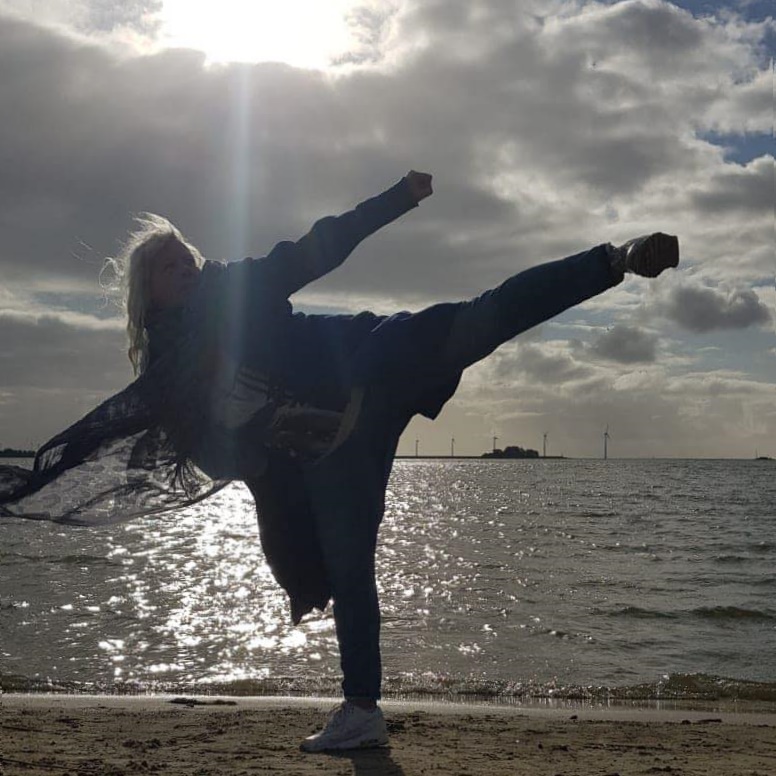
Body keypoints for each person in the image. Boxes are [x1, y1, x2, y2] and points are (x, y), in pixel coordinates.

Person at [0, 170, 679, 752]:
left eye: (188, 258)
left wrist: (395, 198)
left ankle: (614, 260)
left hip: (368, 365)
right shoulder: (165, 379)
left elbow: (316, 250)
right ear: (148, 292)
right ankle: (362, 713)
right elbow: (153, 449)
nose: (187, 268)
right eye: (169, 266)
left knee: (482, 317)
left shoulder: (236, 289)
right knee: (350, 574)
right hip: (326, 459)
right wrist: (247, 453)